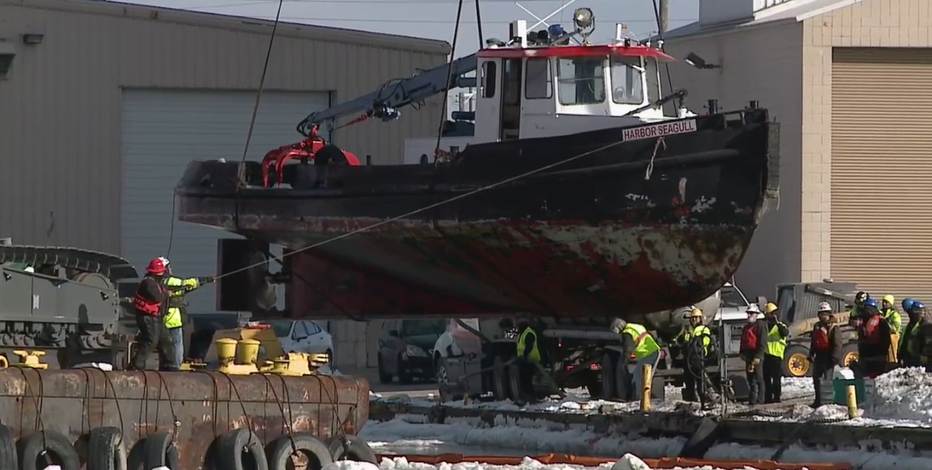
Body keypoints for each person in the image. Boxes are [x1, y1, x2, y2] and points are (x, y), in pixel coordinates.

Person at [159, 257, 214, 368]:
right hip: (173, 319)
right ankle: (176, 365)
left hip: (161, 319)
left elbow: (184, 288)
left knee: (164, 346)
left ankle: (165, 365)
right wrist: (203, 280)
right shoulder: (171, 281)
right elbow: (187, 284)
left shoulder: (156, 283)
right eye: (169, 267)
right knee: (177, 345)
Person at [129, 258, 177, 371]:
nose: (163, 274)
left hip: (156, 317)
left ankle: (169, 365)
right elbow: (157, 297)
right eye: (162, 271)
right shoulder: (148, 283)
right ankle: (136, 366)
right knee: (151, 340)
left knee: (166, 340)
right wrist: (167, 294)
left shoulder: (156, 283)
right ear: (157, 272)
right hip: (147, 317)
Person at [673, 307, 719, 409]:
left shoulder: (704, 329)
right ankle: (691, 403)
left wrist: (694, 338)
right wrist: (682, 336)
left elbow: (705, 342)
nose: (694, 320)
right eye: (693, 318)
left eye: (696, 318)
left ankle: (705, 402)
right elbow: (678, 342)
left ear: (700, 319)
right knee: (688, 383)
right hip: (687, 359)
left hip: (698, 358)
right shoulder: (686, 329)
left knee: (700, 383)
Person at [610, 318, 661, 402]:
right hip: (653, 352)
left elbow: (628, 349)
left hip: (648, 354)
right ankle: (641, 397)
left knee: (639, 377)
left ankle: (639, 399)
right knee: (641, 375)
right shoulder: (635, 326)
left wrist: (625, 362)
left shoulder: (627, 333)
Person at [808, 302, 843, 408]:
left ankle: (828, 401)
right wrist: (811, 354)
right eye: (821, 313)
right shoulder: (817, 326)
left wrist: (834, 358)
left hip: (829, 357)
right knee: (816, 379)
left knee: (827, 381)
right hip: (819, 356)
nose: (822, 316)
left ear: (829, 314)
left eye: (824, 313)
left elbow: (838, 344)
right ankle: (818, 400)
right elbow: (814, 341)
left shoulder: (834, 327)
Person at [855, 298, 890, 378]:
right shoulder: (864, 321)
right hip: (865, 357)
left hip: (877, 357)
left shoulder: (881, 321)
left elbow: (886, 340)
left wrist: (882, 354)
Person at [740, 303, 767, 405]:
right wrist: (742, 353)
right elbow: (743, 341)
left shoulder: (760, 326)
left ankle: (760, 400)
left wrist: (758, 357)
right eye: (748, 313)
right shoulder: (746, 327)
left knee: (759, 378)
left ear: (756, 314)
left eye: (751, 313)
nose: (749, 315)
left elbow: (762, 343)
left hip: (757, 355)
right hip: (748, 355)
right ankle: (752, 400)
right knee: (750, 378)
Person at [762, 302, 789, 404]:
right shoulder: (764, 325)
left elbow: (785, 333)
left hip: (777, 356)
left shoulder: (780, 325)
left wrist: (777, 323)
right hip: (766, 355)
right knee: (766, 378)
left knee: (776, 379)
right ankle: (768, 398)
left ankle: (777, 397)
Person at [515, 319, 540, 402]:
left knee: (527, 380)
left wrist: (524, 356)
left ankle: (530, 397)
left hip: (530, 360)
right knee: (523, 379)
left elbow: (529, 346)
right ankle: (525, 397)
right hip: (524, 361)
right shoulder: (522, 334)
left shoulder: (529, 333)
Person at [899, 300, 927, 368]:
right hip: (908, 357)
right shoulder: (910, 326)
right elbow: (904, 340)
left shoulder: (923, 326)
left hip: (919, 359)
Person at [880, 294, 902, 368]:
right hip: (883, 338)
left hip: (892, 338)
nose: (884, 304)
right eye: (883, 301)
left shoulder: (895, 314)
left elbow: (895, 328)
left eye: (886, 302)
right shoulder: (880, 312)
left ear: (891, 303)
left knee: (892, 356)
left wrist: (885, 323)